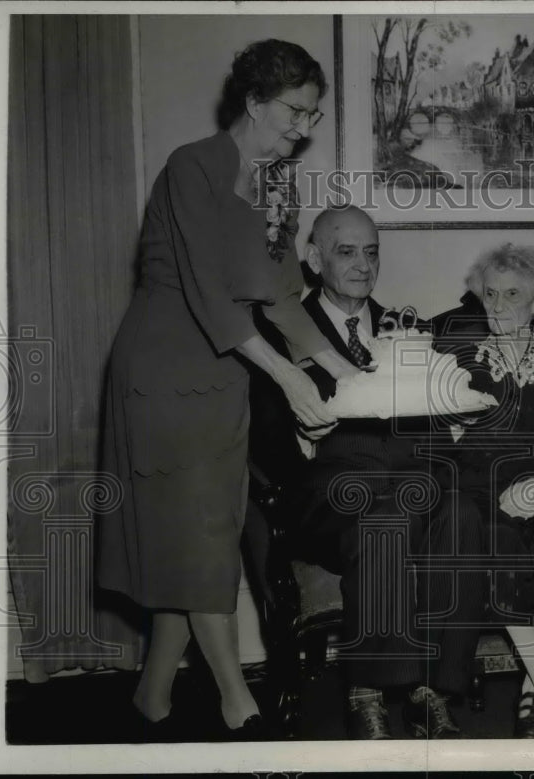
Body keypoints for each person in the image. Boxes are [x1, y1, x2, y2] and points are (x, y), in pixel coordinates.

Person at [97, 39, 355, 739]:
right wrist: (288, 374)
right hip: (163, 368)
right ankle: (237, 700)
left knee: (203, 536)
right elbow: (213, 299)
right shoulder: (195, 167)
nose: (304, 128)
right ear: (253, 102)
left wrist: (348, 369)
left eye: (314, 115)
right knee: (192, 537)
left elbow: (280, 302)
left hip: (223, 373)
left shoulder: (278, 185)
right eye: (294, 113)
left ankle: (151, 696)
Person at [257, 205, 485, 740]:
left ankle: (433, 688)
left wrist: (451, 421)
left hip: (407, 487)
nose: (363, 265)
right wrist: (302, 432)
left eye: (372, 251)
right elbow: (263, 438)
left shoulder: (407, 331)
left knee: (461, 511)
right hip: (326, 494)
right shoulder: (279, 329)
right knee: (389, 511)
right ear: (314, 259)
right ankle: (369, 690)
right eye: (346, 251)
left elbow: (431, 435)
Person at [437, 244, 534, 739]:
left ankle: (532, 694)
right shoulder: (457, 367)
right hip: (484, 496)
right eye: (490, 294)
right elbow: (445, 458)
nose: (499, 304)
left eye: (513, 294)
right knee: (496, 534)